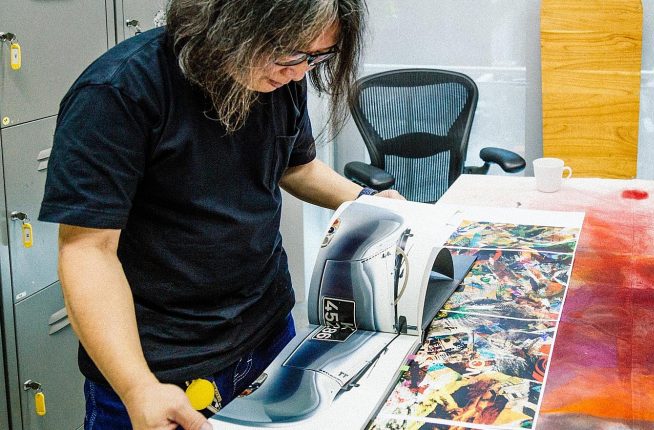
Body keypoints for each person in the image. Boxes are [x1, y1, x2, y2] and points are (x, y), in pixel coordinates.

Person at [39, 0, 402, 428]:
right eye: (290, 54)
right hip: (164, 366)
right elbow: (87, 251)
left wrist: (369, 201)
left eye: (316, 57)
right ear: (232, 22)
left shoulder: (282, 74)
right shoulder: (117, 93)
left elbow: (296, 167)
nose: (300, 73)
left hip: (268, 332)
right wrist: (138, 387)